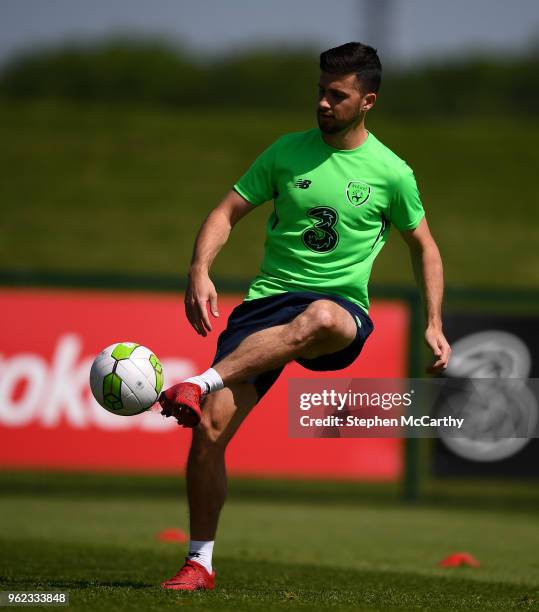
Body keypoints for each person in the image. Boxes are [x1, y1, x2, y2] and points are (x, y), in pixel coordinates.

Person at [158, 41, 451, 591]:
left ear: (368, 101)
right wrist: (199, 268)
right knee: (209, 435)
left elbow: (425, 246)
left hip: (340, 314)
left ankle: (197, 381)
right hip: (265, 307)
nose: (322, 103)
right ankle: (199, 563)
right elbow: (226, 211)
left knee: (319, 317)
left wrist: (434, 322)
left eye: (336, 95)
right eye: (319, 91)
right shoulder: (284, 152)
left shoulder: (392, 172)